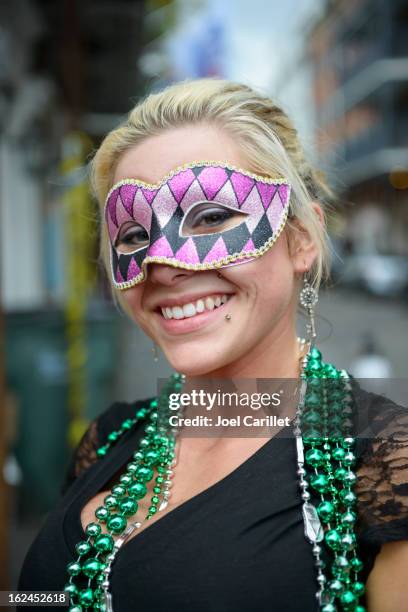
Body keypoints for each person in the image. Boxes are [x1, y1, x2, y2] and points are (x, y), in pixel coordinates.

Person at [18, 79, 408, 612]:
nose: (160, 263)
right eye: (133, 235)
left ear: (302, 239)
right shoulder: (109, 439)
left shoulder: (385, 462)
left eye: (211, 217)